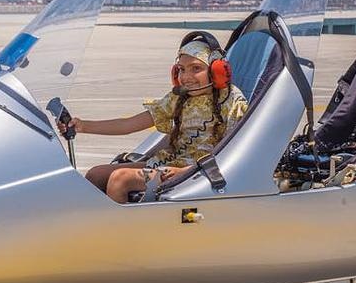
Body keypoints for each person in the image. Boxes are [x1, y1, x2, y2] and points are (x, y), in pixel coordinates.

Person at [59, 32, 248, 203]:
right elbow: (129, 124)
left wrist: (184, 171)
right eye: (181, 69)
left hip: (198, 171)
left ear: (216, 71)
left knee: (120, 179)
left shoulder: (232, 100)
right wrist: (83, 126)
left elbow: (234, 150)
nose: (186, 76)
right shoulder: (179, 97)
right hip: (170, 163)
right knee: (95, 174)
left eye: (195, 68)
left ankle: (118, 237)